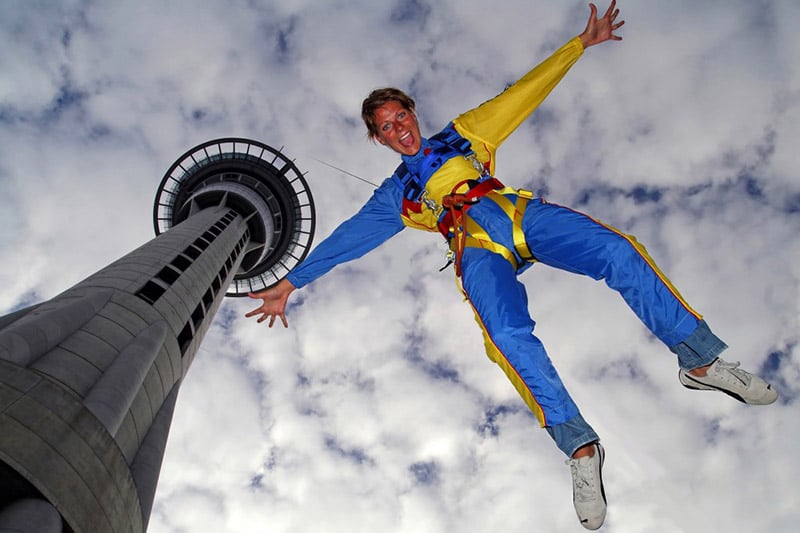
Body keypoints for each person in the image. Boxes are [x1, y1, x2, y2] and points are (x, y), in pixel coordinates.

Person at [247, 2, 777, 529]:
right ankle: (580, 448)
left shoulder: (463, 134)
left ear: (412, 112)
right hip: (474, 247)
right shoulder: (396, 196)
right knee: (503, 333)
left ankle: (701, 361)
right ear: (379, 139)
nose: (399, 129)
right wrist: (291, 282)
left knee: (619, 250)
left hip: (516, 213)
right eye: (386, 128)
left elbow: (522, 93)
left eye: (401, 116)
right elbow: (349, 239)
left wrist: (579, 45)